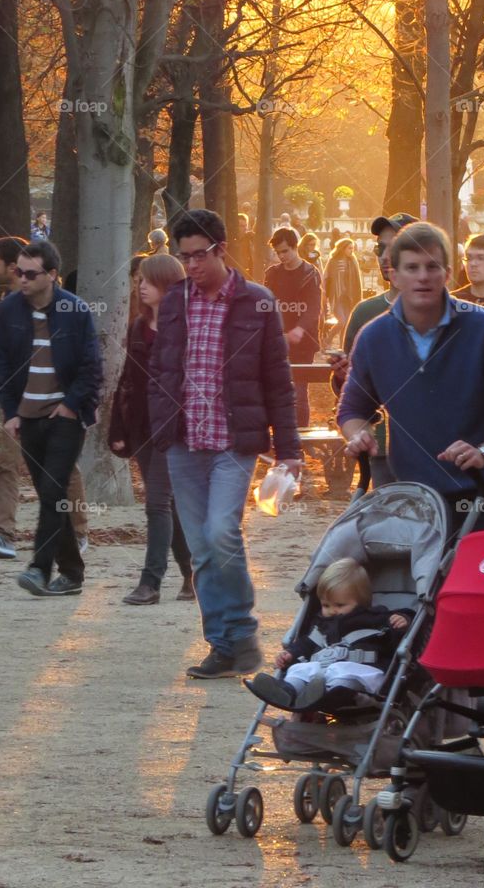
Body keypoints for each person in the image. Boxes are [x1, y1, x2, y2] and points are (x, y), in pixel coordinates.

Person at [148, 209, 302, 679]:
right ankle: (224, 644)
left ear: (220, 248)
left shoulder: (258, 301)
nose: (192, 265)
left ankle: (242, 629)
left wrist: (289, 449)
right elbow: (159, 367)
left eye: (200, 255)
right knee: (201, 548)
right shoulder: (175, 302)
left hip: (235, 442)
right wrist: (154, 424)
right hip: (184, 441)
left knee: (221, 533)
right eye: (184, 256)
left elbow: (278, 380)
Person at [338, 222, 484, 534]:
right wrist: (358, 434)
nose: (423, 276)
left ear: (448, 274)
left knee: (479, 584)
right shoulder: (374, 337)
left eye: (432, 266)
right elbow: (352, 408)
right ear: (393, 274)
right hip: (413, 501)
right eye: (412, 267)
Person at [0, 240, 102, 596]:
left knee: (55, 489)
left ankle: (39, 568)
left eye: (30, 273)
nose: (21, 278)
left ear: (52, 275)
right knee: (49, 494)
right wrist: (11, 413)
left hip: (66, 416)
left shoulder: (75, 310)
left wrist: (70, 405)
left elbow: (91, 367)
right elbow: (4, 365)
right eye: (19, 271)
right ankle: (72, 573)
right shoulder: (9, 310)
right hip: (28, 417)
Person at [109, 253, 194, 605]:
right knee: (169, 506)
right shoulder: (137, 327)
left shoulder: (187, 328)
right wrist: (118, 427)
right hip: (141, 426)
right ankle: (192, 575)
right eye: (139, 279)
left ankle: (150, 582)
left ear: (167, 285)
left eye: (148, 280)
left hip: (174, 429)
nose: (140, 285)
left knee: (157, 502)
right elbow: (127, 380)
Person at [246, 558, 411, 710]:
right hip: (323, 671)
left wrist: (402, 620)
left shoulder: (375, 618)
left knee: (341, 671)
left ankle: (329, 694)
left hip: (361, 671)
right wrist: (291, 654)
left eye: (339, 605)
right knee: (299, 669)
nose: (332, 610)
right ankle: (289, 691)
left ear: (361, 602)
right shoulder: (320, 624)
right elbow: (306, 643)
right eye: (326, 605)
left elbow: (392, 642)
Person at [329, 212, 418, 489]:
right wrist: (343, 375)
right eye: (380, 248)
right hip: (381, 447)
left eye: (391, 248)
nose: (383, 256)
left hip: (434, 448)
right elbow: (347, 392)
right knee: (390, 526)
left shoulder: (450, 313)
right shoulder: (365, 312)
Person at [264, 227, 322, 429]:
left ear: (295, 247)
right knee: (277, 389)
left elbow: (314, 307)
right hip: (277, 340)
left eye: (285, 251)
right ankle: (280, 432)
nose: (282, 257)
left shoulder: (310, 273)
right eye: (278, 252)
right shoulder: (272, 274)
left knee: (299, 391)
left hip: (304, 342)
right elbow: (267, 304)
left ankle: (301, 436)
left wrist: (299, 329)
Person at [324, 237, 363, 333]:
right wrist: (324, 294)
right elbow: (326, 278)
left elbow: (357, 280)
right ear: (343, 248)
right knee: (342, 322)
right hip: (336, 297)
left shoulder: (353, 261)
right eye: (349, 248)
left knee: (347, 324)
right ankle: (328, 340)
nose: (352, 250)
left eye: (352, 248)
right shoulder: (332, 261)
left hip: (349, 297)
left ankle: (342, 346)